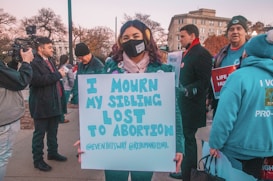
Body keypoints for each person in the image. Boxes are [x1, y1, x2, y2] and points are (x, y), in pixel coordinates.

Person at [74, 19, 185, 181]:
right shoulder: (110, 69)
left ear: (146, 38)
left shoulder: (162, 72)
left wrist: (178, 146)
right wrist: (88, 139)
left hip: (147, 148)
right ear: (120, 42)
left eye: (135, 36)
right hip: (114, 148)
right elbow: (97, 108)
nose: (131, 41)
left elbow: (174, 112)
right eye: (125, 38)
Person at [209, 30, 273, 180]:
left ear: (247, 54)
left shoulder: (238, 77)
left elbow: (225, 117)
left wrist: (215, 143)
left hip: (239, 152)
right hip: (268, 151)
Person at [170, 24, 212, 181]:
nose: (180, 39)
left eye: (182, 36)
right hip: (184, 106)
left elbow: (203, 82)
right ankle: (186, 171)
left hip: (194, 108)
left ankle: (190, 175)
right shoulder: (186, 54)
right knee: (187, 140)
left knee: (192, 142)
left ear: (193, 36)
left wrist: (186, 90)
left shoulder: (202, 54)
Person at [29, 37, 67, 172]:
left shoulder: (50, 60)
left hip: (54, 104)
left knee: (53, 131)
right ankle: (38, 160)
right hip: (41, 105)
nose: (52, 49)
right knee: (39, 134)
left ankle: (53, 152)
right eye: (49, 47)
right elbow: (37, 81)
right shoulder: (33, 62)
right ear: (41, 48)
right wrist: (58, 75)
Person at [0, 48, 34, 180]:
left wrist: (14, 63)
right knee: (2, 157)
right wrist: (26, 62)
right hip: (4, 120)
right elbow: (20, 81)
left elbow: (8, 78)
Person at [209, 15, 249, 115]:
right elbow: (214, 77)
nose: (235, 31)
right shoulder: (222, 52)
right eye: (231, 29)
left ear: (245, 32)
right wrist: (209, 96)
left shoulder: (252, 51)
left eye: (239, 28)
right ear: (228, 33)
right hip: (222, 104)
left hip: (244, 105)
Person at [58, 54, 74, 123]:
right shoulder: (67, 68)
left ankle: (59, 117)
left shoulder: (59, 67)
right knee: (64, 103)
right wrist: (71, 85)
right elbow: (71, 78)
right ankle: (62, 118)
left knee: (60, 103)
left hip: (60, 87)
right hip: (66, 87)